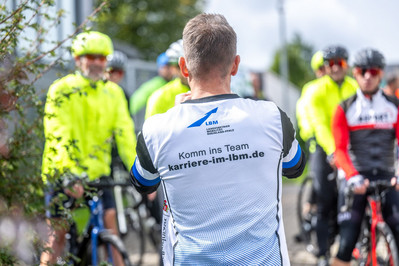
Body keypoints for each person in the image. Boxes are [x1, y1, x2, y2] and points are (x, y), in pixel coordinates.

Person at [130, 13, 306, 265]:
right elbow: (295, 167)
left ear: (183, 66)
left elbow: (142, 182)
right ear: (235, 65)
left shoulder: (157, 129)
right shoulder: (272, 117)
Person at [40, 31, 136, 265]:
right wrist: (68, 173)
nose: (96, 62)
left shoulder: (113, 93)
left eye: (101, 58)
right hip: (63, 173)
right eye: (90, 56)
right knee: (57, 236)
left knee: (110, 226)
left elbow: (125, 135)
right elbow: (57, 134)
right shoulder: (61, 89)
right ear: (77, 59)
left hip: (98, 174)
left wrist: (139, 171)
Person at [331, 48, 399, 266]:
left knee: (397, 230)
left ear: (380, 74)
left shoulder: (394, 106)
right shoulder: (344, 109)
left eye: (373, 71)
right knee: (346, 243)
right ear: (355, 73)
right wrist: (352, 176)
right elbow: (339, 149)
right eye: (362, 71)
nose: (368, 76)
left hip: (387, 177)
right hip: (357, 178)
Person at [307, 45, 358, 265]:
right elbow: (319, 125)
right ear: (325, 67)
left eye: (341, 63)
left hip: (347, 147)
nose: (336, 67)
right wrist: (333, 152)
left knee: (349, 198)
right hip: (324, 147)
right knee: (325, 199)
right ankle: (322, 253)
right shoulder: (316, 90)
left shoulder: (354, 86)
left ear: (347, 65)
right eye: (331, 63)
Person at [144, 39, 189, 119]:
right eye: (181, 66)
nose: (187, 71)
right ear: (173, 68)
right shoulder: (160, 97)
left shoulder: (211, 90)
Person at [129, 52, 178, 119]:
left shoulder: (180, 84)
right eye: (165, 67)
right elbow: (136, 101)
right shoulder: (152, 85)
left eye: (170, 66)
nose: (168, 70)